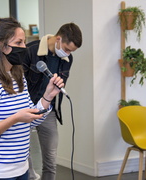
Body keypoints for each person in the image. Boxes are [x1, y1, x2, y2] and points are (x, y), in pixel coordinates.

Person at [0, 17, 65, 180]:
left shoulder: (17, 77)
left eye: (24, 42)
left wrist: (47, 97)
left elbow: (30, 120)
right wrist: (14, 118)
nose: (24, 48)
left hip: (21, 170)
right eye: (19, 42)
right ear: (2, 46)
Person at [23, 23, 83, 180]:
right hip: (25, 111)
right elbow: (18, 84)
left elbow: (59, 86)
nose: (68, 53)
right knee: (23, 158)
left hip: (47, 111)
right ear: (58, 39)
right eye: (67, 49)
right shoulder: (30, 51)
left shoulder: (67, 59)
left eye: (71, 51)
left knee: (50, 160)